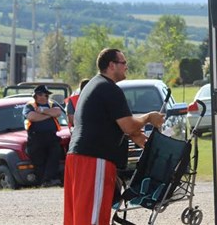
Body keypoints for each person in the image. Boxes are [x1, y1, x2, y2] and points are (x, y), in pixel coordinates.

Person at [64, 48, 165, 225]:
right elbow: (127, 125)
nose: (126, 67)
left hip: (78, 157)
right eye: (123, 63)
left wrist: (136, 135)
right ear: (112, 65)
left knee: (79, 216)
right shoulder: (108, 88)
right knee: (92, 218)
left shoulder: (95, 85)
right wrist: (149, 117)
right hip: (93, 159)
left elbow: (110, 123)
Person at [23, 84, 64, 187]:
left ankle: (49, 180)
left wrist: (42, 111)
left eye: (47, 95)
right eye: (43, 95)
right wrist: (49, 115)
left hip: (51, 137)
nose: (46, 97)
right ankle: (43, 182)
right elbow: (32, 117)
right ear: (37, 95)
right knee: (39, 161)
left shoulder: (51, 104)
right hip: (36, 138)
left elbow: (58, 112)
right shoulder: (30, 106)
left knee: (54, 157)